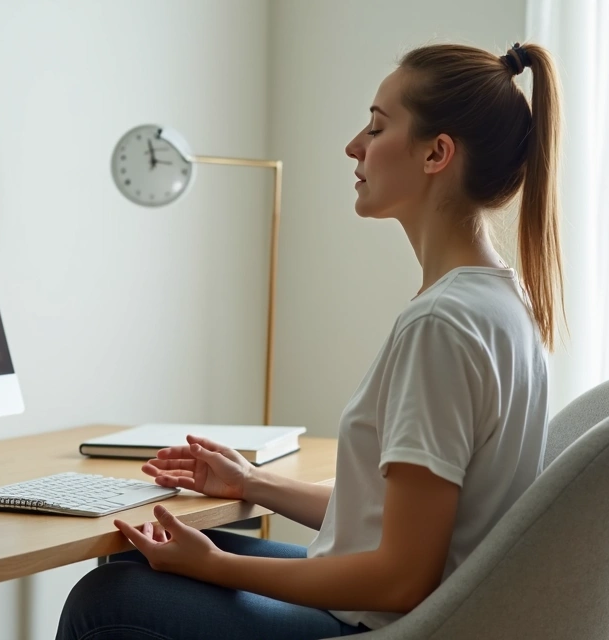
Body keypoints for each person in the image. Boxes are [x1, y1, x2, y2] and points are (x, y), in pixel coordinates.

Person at [57, 41, 564, 640]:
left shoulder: (443, 325)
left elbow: (403, 578)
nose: (355, 145)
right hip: (419, 611)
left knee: (109, 597)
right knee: (139, 558)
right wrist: (251, 483)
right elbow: (398, 524)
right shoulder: (501, 306)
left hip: (385, 624)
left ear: (436, 153)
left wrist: (218, 566)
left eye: (376, 127)